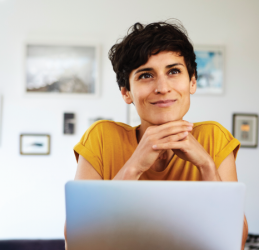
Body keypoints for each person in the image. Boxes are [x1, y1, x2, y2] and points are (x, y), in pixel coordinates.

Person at [64, 20, 248, 249]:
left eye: (173, 71)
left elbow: (235, 243)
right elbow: (77, 242)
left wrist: (206, 166)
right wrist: (134, 167)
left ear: (192, 82)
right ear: (126, 92)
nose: (162, 87)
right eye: (145, 75)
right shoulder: (101, 138)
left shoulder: (214, 137)